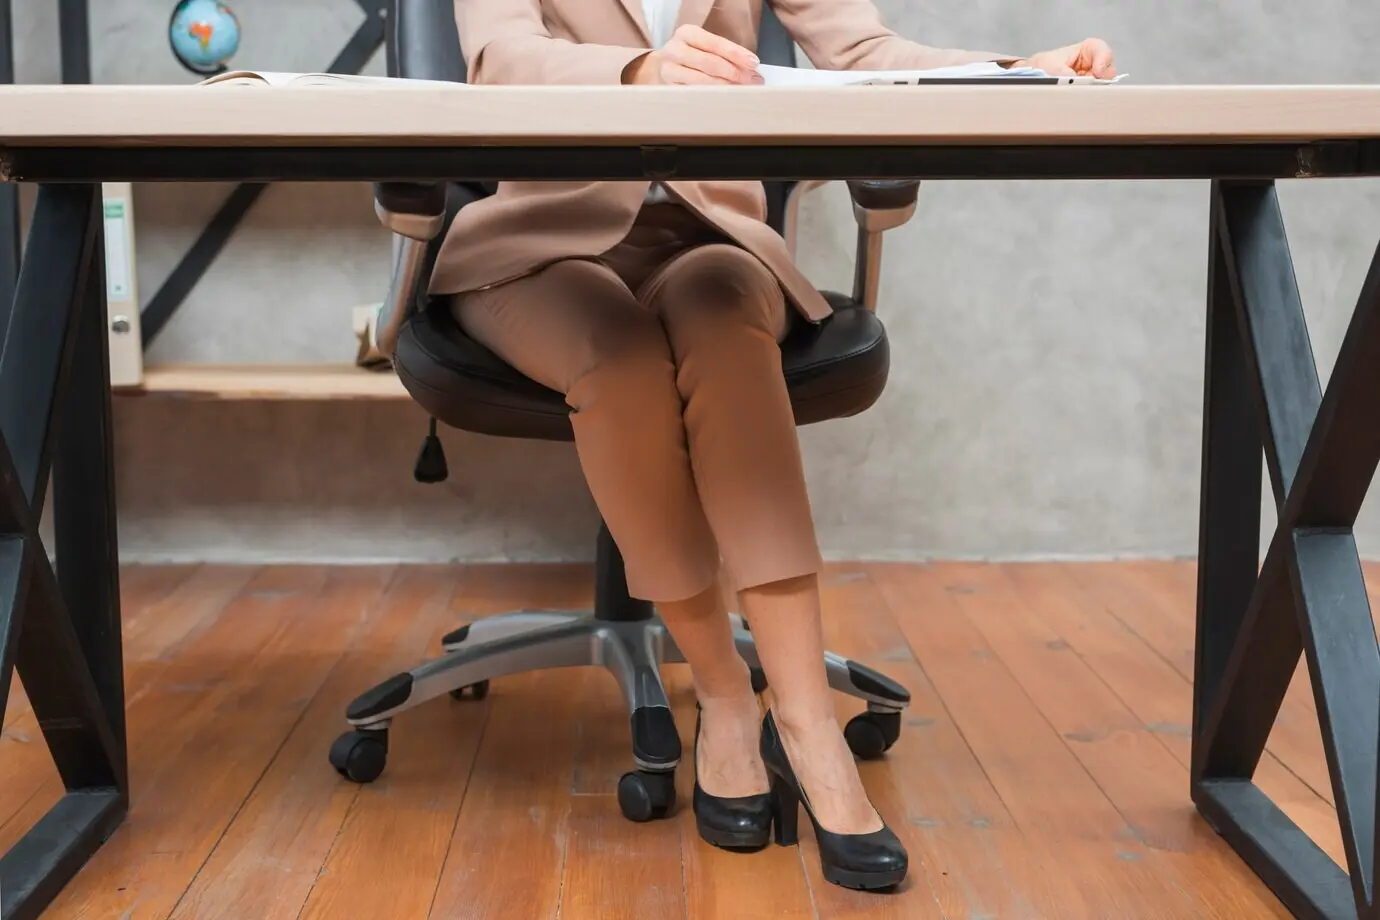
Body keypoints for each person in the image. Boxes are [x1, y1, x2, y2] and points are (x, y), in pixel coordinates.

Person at [435, 0, 1115, 892]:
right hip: (537, 247)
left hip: (708, 235)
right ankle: (723, 692)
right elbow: (500, 57)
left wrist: (1012, 70)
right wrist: (640, 73)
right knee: (623, 360)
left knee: (724, 327)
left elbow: (864, 48)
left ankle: (806, 726)